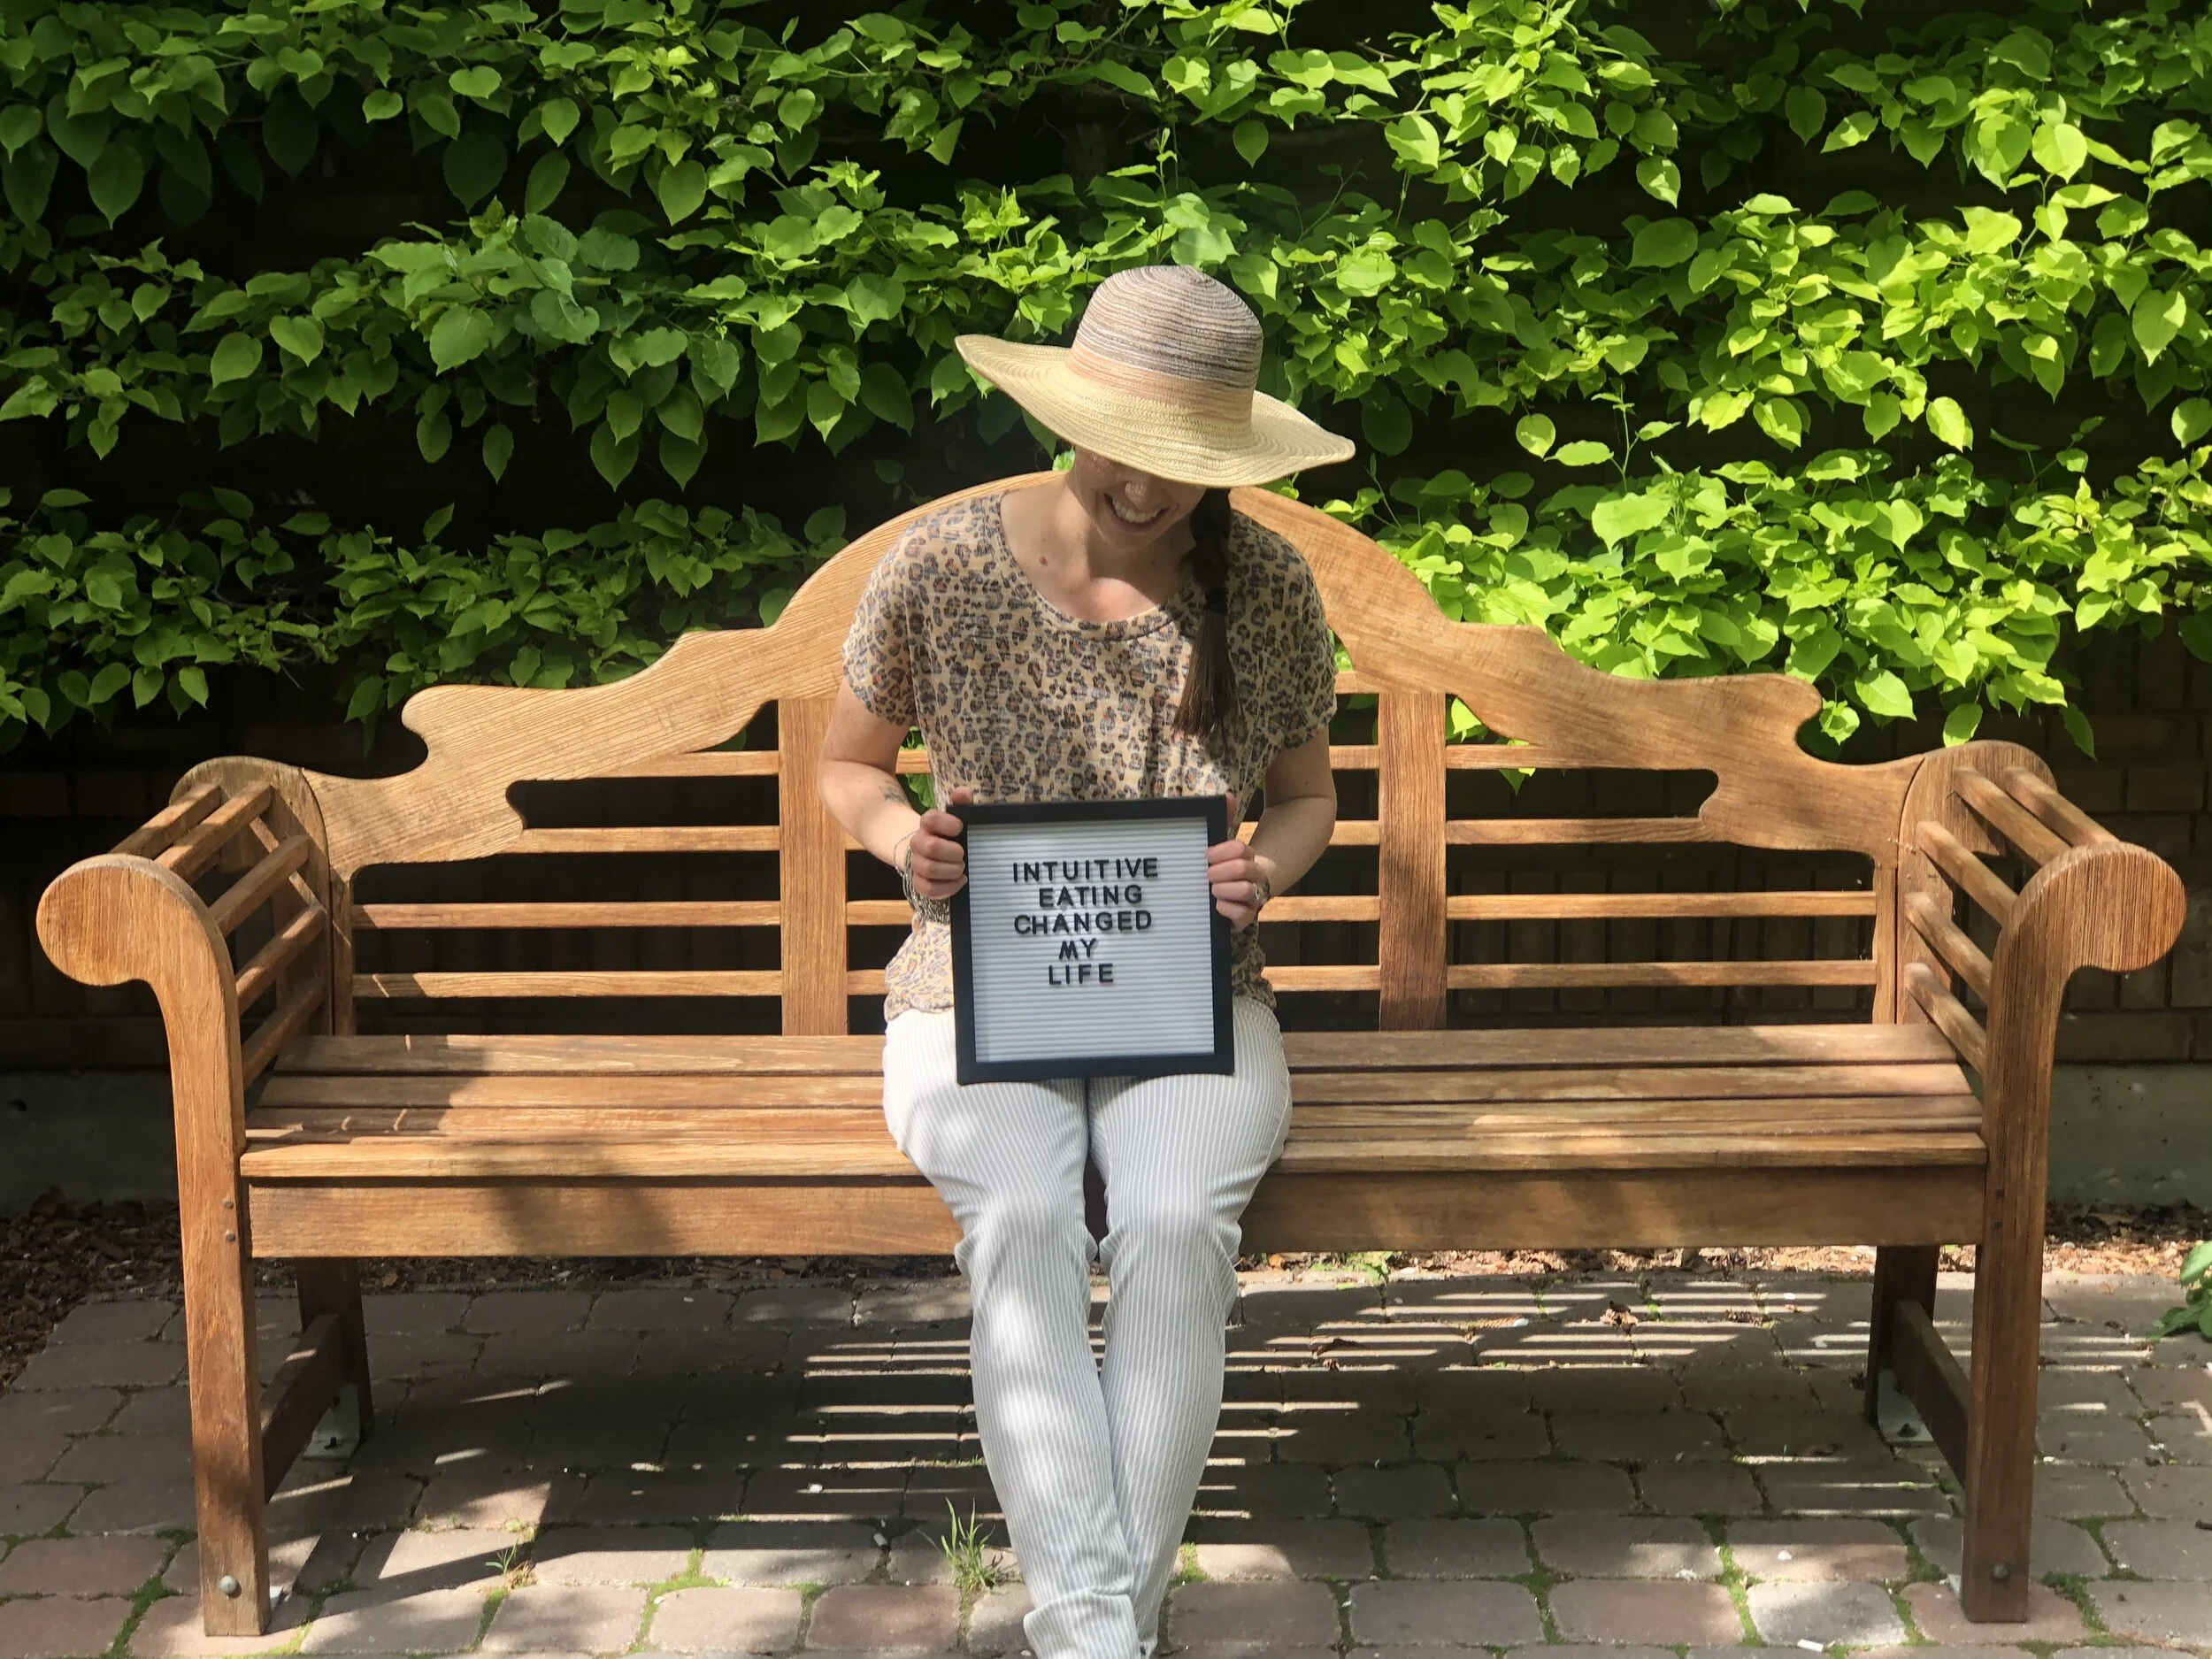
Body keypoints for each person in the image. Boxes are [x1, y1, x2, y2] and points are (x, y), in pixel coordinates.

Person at [815, 264, 1353, 1659]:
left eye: (1185, 458)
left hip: (1198, 996)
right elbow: (845, 768)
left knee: (1173, 1223)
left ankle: (1090, 1628)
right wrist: (907, 842)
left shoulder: (1265, 584)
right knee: (1021, 1214)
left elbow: (1310, 798)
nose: (1148, 486)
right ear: (1069, 415)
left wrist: (1264, 869)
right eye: (1126, 445)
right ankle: (1103, 1632)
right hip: (971, 990)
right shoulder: (942, 565)